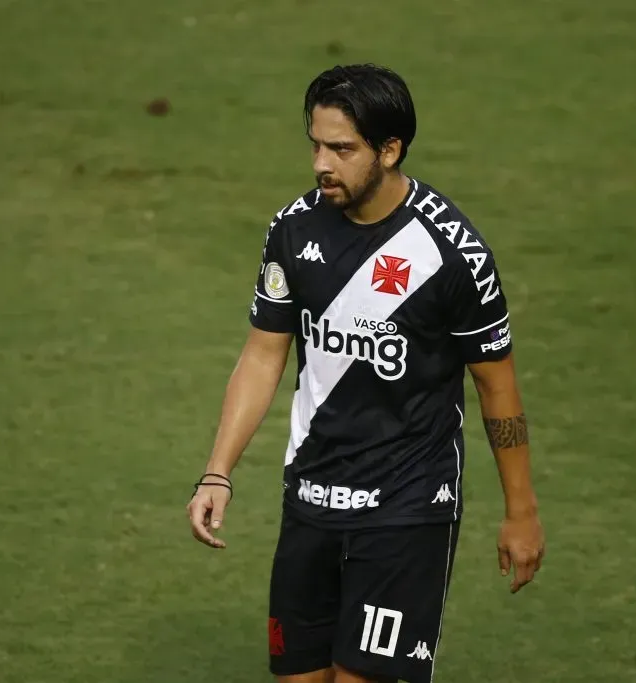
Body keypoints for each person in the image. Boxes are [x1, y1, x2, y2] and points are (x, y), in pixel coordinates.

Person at [187, 63, 546, 683]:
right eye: (316, 144)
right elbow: (263, 353)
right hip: (311, 493)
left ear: (390, 149)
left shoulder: (450, 253)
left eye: (342, 149)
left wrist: (521, 509)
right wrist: (217, 471)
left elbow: (497, 386)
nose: (322, 164)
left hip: (407, 505)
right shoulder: (294, 229)